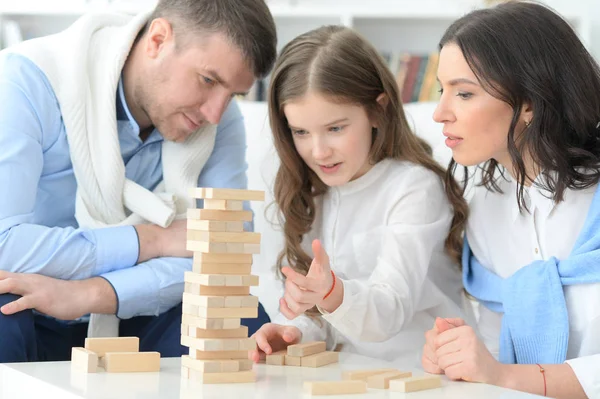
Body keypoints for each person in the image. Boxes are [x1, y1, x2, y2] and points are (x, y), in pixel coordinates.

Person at [0, 0, 276, 363]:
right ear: (158, 40)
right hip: (30, 308)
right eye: (208, 80)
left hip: (131, 309)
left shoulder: (219, 122)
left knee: (243, 321)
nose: (215, 113)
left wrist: (94, 293)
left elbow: (225, 254)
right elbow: (5, 242)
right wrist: (154, 239)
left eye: (233, 95)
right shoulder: (26, 82)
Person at [248, 25, 469, 365]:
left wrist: (330, 293)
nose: (319, 151)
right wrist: (294, 332)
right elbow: (331, 322)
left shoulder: (414, 188)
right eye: (301, 132)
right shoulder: (313, 193)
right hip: (347, 373)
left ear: (378, 111)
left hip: (417, 376)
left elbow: (388, 311)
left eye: (335, 128)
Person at [422, 2, 600, 398]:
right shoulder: (484, 208)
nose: (439, 113)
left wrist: (504, 377)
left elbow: (506, 376)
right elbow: (496, 354)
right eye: (441, 90)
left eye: (464, 93)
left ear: (530, 104)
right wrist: (459, 356)